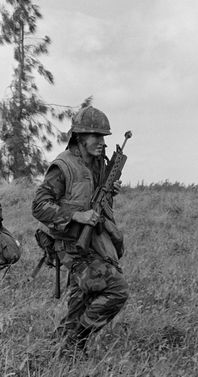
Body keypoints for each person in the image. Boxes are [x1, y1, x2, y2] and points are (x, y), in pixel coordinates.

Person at [32, 104, 129, 351]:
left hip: (93, 243)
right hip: (70, 246)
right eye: (95, 136)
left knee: (80, 303)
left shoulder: (98, 164)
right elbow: (39, 206)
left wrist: (109, 194)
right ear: (79, 137)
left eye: (103, 136)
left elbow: (94, 201)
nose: (101, 142)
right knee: (117, 289)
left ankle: (59, 352)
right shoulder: (62, 167)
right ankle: (76, 340)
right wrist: (77, 215)